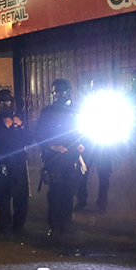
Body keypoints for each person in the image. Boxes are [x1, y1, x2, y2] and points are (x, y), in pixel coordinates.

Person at [34, 79, 84, 235]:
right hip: (54, 159)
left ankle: (66, 224)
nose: (59, 95)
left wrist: (82, 144)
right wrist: (51, 146)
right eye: (56, 92)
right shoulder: (48, 111)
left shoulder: (75, 110)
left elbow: (84, 131)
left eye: (61, 92)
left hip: (72, 157)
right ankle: (54, 226)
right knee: (55, 193)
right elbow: (38, 133)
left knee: (68, 193)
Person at [0, 89, 32, 236]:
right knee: (3, 197)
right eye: (3, 102)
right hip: (1, 164)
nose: (7, 105)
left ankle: (19, 225)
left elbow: (29, 139)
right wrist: (6, 127)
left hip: (18, 163)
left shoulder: (18, 119)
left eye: (9, 102)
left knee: (21, 196)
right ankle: (4, 225)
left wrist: (21, 126)